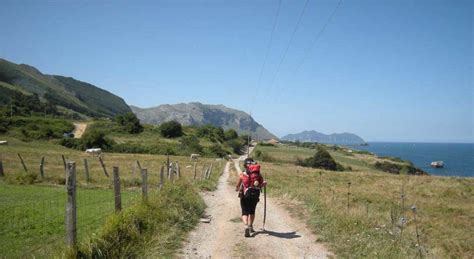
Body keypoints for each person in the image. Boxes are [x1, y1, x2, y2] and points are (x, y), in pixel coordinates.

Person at [235, 158, 266, 237]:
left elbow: (238, 185)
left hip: (245, 195)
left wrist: (237, 188)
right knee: (252, 211)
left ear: (245, 165)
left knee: (244, 212)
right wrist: (264, 184)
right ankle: (250, 226)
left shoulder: (243, 174)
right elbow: (261, 184)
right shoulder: (258, 175)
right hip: (255, 195)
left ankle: (246, 225)